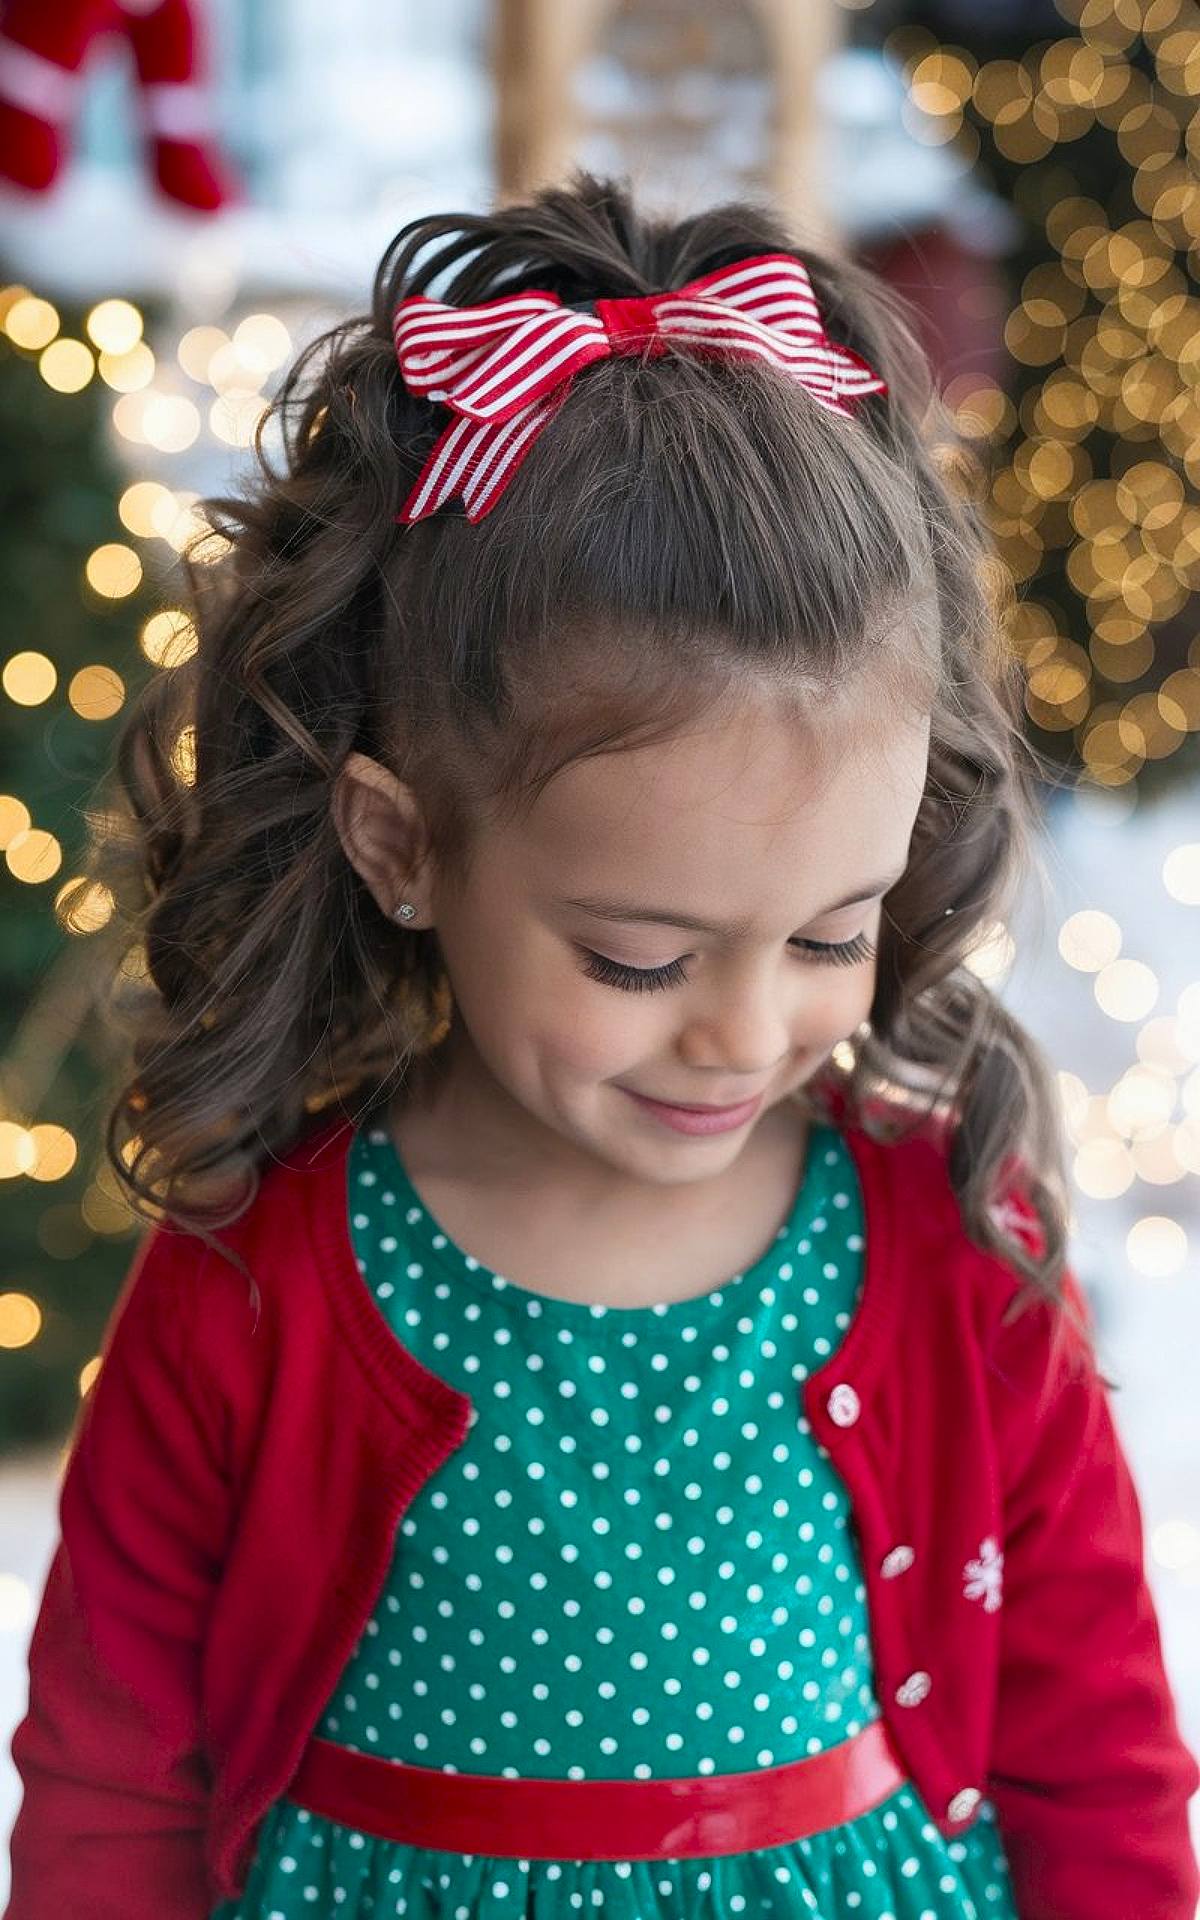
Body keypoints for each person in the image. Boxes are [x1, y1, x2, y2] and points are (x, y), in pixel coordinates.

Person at [4, 170, 1198, 1920]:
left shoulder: (951, 1248)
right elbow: (111, 1780)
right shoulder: (258, 1278)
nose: (743, 1029)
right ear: (404, 846)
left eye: (828, 935)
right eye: (639, 956)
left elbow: (1094, 1748)